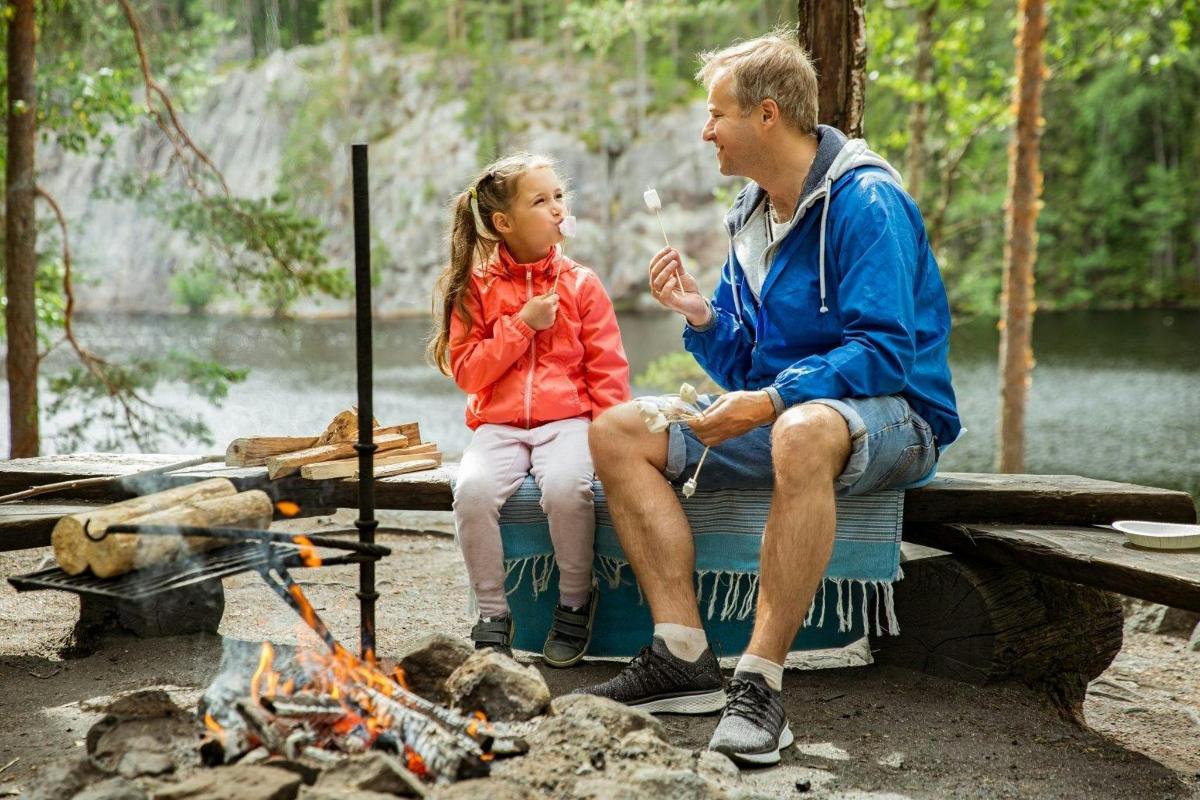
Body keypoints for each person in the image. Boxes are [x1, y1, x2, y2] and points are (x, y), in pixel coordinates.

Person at [575, 32, 962, 765]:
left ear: (767, 115)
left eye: (716, 113)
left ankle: (760, 683)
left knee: (799, 431)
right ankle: (683, 654)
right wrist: (702, 318)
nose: (705, 130)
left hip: (897, 417)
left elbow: (885, 353)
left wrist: (771, 400)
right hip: (794, 408)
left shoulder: (867, 201)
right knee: (619, 429)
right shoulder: (752, 214)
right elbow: (745, 360)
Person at [429, 153, 631, 668]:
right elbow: (469, 373)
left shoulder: (582, 284)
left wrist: (613, 440)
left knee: (567, 488)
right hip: (497, 427)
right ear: (504, 223)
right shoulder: (474, 289)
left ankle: (574, 602)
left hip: (567, 422)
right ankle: (493, 614)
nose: (557, 209)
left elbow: (607, 370)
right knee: (470, 492)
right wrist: (522, 324)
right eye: (540, 201)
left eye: (559, 197)